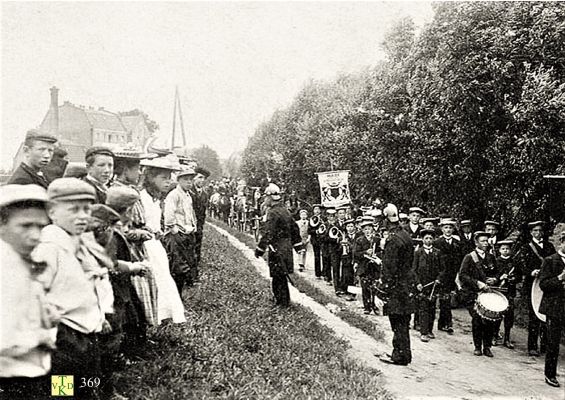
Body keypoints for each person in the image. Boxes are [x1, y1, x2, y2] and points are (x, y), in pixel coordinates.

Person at [33, 178, 114, 399]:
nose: (82, 216)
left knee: (88, 384)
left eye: (87, 209)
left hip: (86, 333)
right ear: (52, 211)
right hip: (63, 337)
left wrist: (99, 315)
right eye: (73, 210)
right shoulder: (49, 246)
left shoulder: (79, 242)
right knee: (63, 391)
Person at [0, 185, 55, 399]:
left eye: (41, 227)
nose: (35, 235)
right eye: (25, 226)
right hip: (10, 376)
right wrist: (39, 336)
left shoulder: (23, 260)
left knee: (70, 384)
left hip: (34, 368)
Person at [139, 155, 186, 324]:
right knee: (154, 279)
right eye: (163, 178)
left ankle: (162, 317)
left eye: (169, 178)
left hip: (155, 244)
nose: (168, 182)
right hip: (145, 246)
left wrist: (158, 231)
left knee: (163, 279)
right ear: (151, 178)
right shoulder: (142, 197)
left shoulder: (156, 198)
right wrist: (150, 230)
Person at [255, 183, 303, 308]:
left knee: (277, 278)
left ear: (270, 198)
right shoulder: (285, 211)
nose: (265, 199)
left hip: (276, 248)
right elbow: (295, 229)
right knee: (282, 276)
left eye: (266, 197)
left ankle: (281, 303)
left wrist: (259, 249)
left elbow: (268, 233)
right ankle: (284, 301)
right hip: (286, 248)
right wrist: (298, 246)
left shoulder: (273, 212)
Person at [379, 204, 416, 366]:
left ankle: (399, 355)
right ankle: (404, 354)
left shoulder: (392, 239)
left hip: (397, 286)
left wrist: (384, 287)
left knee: (397, 320)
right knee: (404, 321)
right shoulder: (405, 235)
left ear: (386, 220)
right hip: (407, 284)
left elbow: (389, 267)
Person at [459, 231, 498, 358]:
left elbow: (497, 272)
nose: (486, 243)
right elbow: (462, 275)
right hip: (472, 293)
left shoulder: (491, 257)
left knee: (489, 319)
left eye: (487, 241)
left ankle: (487, 346)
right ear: (476, 242)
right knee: (477, 319)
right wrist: (477, 283)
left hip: (488, 293)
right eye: (483, 241)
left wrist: (495, 279)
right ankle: (477, 346)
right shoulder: (469, 257)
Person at [522, 220, 556, 356]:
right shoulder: (526, 248)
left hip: (547, 285)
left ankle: (545, 345)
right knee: (534, 316)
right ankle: (532, 346)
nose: (538, 233)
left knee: (547, 314)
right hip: (532, 285)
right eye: (535, 231)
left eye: (540, 231)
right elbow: (521, 264)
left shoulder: (549, 247)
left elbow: (556, 263)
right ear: (531, 233)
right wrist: (531, 271)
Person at [163, 166, 198, 294]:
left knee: (187, 264)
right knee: (178, 267)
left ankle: (180, 294)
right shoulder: (174, 195)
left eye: (191, 180)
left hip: (187, 234)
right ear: (179, 180)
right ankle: (175, 295)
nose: (189, 182)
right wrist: (174, 231)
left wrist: (193, 229)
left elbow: (190, 215)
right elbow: (169, 215)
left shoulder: (188, 196)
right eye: (186, 180)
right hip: (177, 235)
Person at [538, 231, 565, 388]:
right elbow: (543, 285)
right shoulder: (550, 261)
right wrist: (560, 278)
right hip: (554, 307)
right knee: (553, 343)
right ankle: (550, 375)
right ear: (561, 242)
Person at [413, 229, 444, 343]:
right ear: (422, 239)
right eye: (426, 238)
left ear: (434, 240)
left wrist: (438, 279)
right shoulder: (418, 252)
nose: (428, 240)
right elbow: (413, 270)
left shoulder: (438, 252)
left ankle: (430, 330)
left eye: (431, 238)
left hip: (434, 285)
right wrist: (418, 283)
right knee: (423, 308)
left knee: (432, 308)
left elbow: (442, 269)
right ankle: (424, 332)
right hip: (422, 285)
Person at [434, 218, 462, 334]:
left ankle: (444, 323)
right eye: (446, 227)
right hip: (441, 274)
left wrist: (458, 274)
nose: (448, 230)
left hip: (453, 274)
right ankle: (446, 323)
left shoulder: (457, 243)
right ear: (442, 229)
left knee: (448, 298)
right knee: (443, 299)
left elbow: (460, 259)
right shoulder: (437, 243)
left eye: (450, 228)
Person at [495, 239, 521, 349]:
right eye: (503, 249)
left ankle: (507, 338)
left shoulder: (514, 263)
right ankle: (494, 336)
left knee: (509, 316)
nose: (505, 251)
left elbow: (519, 276)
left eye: (507, 249)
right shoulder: (496, 261)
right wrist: (500, 277)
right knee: (497, 315)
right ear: (499, 250)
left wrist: (513, 279)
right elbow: (492, 276)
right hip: (499, 291)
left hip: (510, 291)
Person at [353, 220, 380, 314]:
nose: (368, 231)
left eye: (369, 229)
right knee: (365, 287)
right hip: (364, 266)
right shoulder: (359, 240)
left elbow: (382, 252)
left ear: (373, 229)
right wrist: (365, 253)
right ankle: (367, 307)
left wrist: (376, 255)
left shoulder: (377, 239)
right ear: (363, 231)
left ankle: (374, 305)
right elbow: (355, 254)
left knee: (375, 287)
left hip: (374, 266)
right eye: (365, 229)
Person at [189, 166, 211, 269]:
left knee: (197, 246)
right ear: (194, 178)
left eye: (204, 178)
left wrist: (200, 226)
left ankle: (196, 268)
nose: (202, 180)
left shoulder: (205, 194)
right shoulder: (189, 192)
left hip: (199, 225)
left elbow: (203, 213)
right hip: (188, 225)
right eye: (200, 177)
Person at [340, 219, 357, 299]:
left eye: (351, 226)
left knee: (353, 276)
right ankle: (347, 291)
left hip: (354, 257)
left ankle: (353, 294)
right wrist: (341, 245)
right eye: (348, 226)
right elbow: (338, 249)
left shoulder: (357, 236)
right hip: (346, 258)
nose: (350, 228)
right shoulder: (344, 236)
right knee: (346, 275)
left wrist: (348, 244)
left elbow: (356, 247)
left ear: (354, 227)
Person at [307, 204, 324, 279]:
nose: (316, 211)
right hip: (315, 240)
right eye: (315, 209)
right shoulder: (311, 219)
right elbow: (309, 231)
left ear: (320, 210)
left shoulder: (324, 218)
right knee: (317, 256)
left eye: (318, 209)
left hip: (323, 240)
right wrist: (316, 231)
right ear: (313, 211)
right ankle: (318, 274)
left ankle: (325, 273)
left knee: (325, 256)